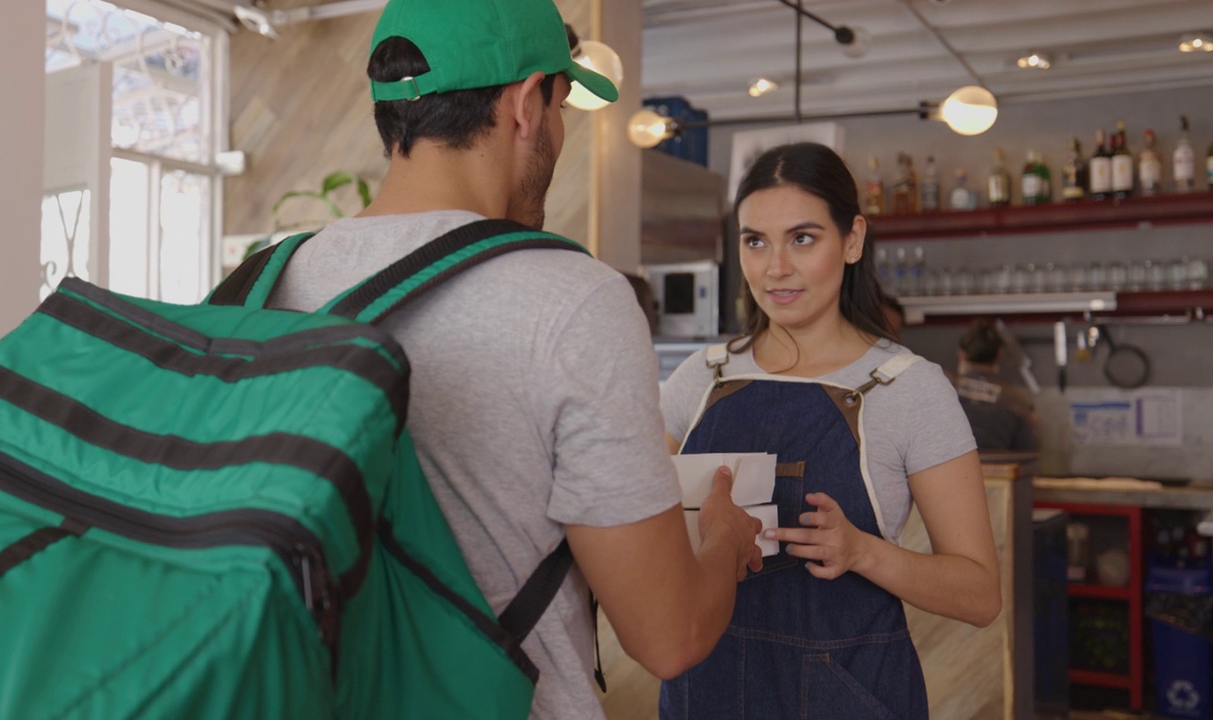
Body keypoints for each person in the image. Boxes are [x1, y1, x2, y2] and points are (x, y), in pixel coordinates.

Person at [266, 1, 763, 717]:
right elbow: (670, 635)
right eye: (561, 105)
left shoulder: (267, 279)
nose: (559, 131)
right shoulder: (574, 300)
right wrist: (724, 539)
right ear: (527, 104)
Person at [657, 142, 1002, 718]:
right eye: (755, 241)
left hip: (850, 696)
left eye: (803, 238)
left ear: (853, 240)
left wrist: (863, 552)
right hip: (703, 691)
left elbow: (980, 594)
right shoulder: (701, 376)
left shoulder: (908, 388)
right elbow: (642, 522)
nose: (776, 268)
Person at [955, 319, 1039, 452]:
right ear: (1000, 353)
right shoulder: (1017, 401)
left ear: (961, 354)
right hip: (999, 471)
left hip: (953, 471)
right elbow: (1027, 453)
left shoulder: (946, 392)